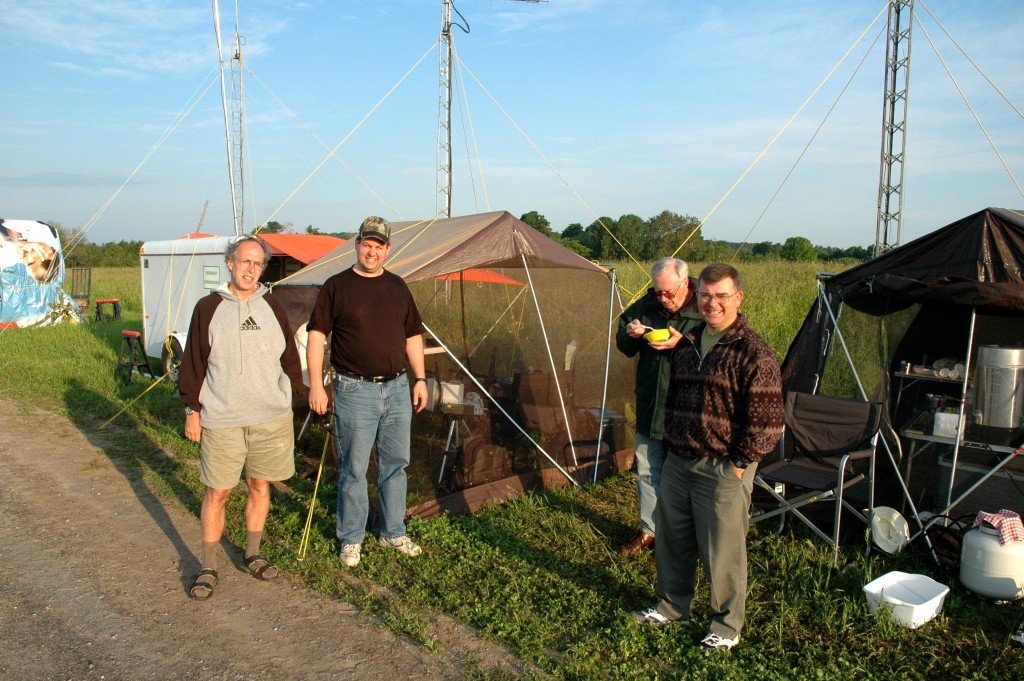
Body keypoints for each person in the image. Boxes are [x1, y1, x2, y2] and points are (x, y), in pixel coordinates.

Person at [631, 263, 784, 653]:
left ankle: (725, 626)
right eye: (706, 296)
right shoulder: (688, 341)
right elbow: (677, 396)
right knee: (672, 540)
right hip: (679, 460)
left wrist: (737, 465)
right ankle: (670, 605)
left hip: (723, 467)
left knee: (723, 551)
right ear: (695, 297)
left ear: (738, 298)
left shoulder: (754, 352)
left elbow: (768, 425)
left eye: (721, 296)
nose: (712, 303)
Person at [178, 234, 303, 600]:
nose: (251, 269)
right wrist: (192, 410)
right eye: (244, 262)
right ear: (230, 263)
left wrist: (293, 396)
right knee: (217, 491)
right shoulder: (208, 307)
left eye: (257, 264)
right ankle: (209, 564)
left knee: (260, 486)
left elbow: (289, 359)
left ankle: (252, 552)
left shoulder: (273, 306)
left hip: (270, 417)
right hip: (222, 417)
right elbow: (193, 363)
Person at [306, 216, 428, 568]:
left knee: (395, 465)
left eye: (379, 246)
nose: (372, 251)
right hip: (353, 389)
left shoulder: (398, 286)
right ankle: (351, 538)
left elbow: (412, 336)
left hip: (398, 387)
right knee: (354, 469)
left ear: (387, 249)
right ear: (356, 244)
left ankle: (393, 532)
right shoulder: (336, 287)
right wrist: (317, 384)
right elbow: (316, 337)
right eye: (367, 244)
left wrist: (420, 379)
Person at [614, 257, 702, 556]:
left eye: (670, 293)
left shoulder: (705, 307)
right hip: (652, 403)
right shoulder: (646, 305)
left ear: (685, 283)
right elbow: (624, 342)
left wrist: (683, 346)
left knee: (689, 475)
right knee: (648, 469)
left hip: (691, 410)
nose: (664, 298)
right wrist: (630, 334)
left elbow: (723, 351)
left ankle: (685, 536)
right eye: (659, 292)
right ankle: (648, 531)